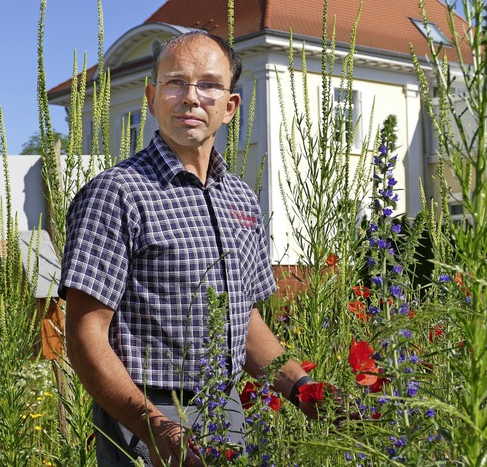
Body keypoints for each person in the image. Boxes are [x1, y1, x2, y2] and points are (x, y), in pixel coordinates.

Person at [60, 30, 319, 466]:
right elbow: (85, 336)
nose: (190, 98)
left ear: (231, 107)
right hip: (145, 415)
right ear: (152, 96)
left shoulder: (240, 198)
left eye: (209, 85)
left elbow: (247, 318)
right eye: (175, 82)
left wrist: (302, 389)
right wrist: (153, 426)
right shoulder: (116, 194)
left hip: (227, 411)